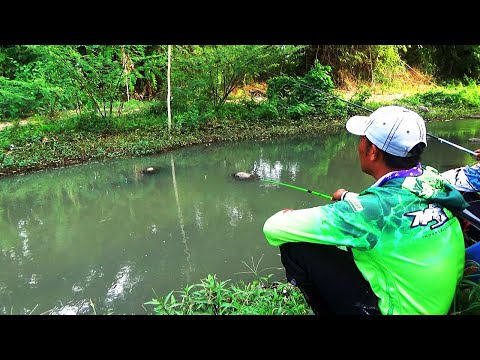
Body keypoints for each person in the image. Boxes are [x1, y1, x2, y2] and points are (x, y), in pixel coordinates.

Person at [263, 105, 469, 315]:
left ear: (372, 151)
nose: (359, 145)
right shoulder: (432, 180)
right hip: (436, 304)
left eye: (363, 138)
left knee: (297, 247)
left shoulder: (372, 212)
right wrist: (347, 197)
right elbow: (392, 204)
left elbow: (273, 227)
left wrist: (287, 215)